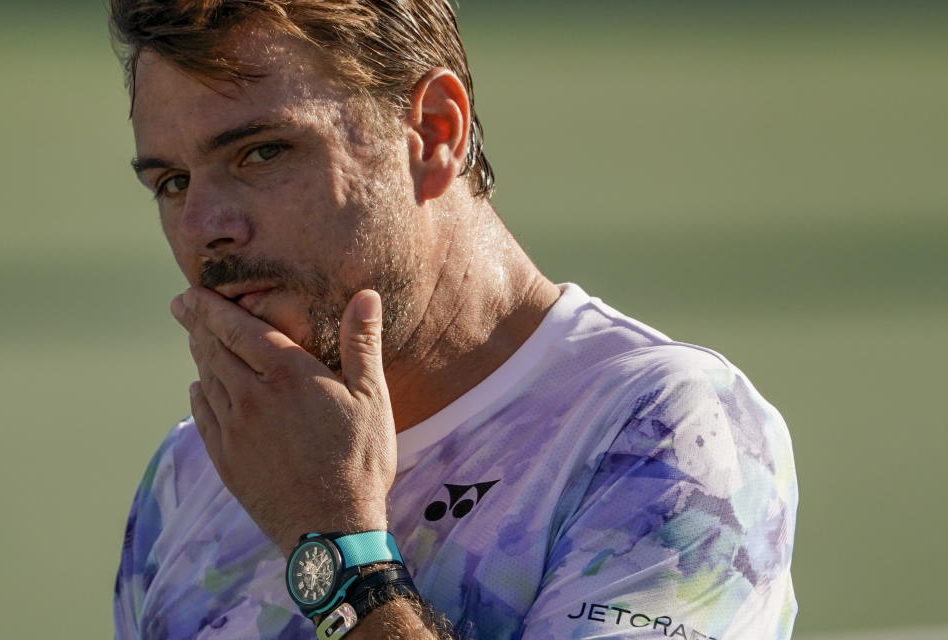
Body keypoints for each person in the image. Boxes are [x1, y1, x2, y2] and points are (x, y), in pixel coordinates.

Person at [110, 2, 798, 639]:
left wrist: (332, 539)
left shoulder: (664, 427)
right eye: (171, 183)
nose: (204, 229)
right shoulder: (187, 474)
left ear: (434, 132)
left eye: (262, 152)